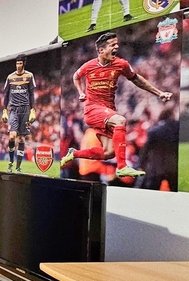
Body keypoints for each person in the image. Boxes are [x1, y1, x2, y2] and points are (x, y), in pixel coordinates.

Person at [61, 32, 172, 178]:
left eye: (117, 44)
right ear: (101, 50)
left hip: (108, 111)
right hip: (92, 109)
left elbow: (137, 79)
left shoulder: (121, 64)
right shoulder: (89, 65)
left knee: (109, 153)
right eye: (112, 45)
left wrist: (159, 93)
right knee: (120, 120)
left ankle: (74, 153)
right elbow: (76, 76)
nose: (116, 47)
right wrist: (81, 92)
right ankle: (122, 167)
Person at [2, 55, 37, 172]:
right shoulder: (10, 77)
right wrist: (4, 110)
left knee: (21, 139)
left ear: (24, 64)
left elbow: (31, 94)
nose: (18, 66)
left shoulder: (29, 76)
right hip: (13, 109)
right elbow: (6, 94)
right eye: (17, 63)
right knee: (12, 136)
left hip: (25, 109)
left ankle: (18, 167)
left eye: (20, 63)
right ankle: (10, 163)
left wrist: (32, 110)